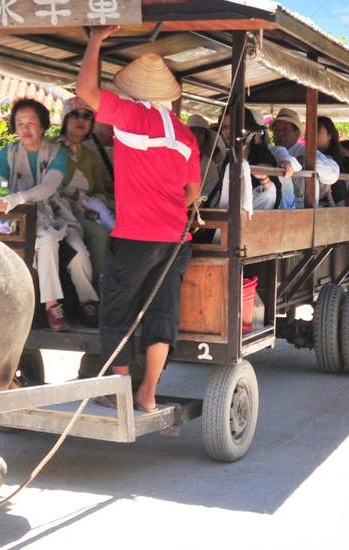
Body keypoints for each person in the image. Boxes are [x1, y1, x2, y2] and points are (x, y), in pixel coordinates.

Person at [77, 25, 201, 413]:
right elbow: (191, 193)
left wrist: (95, 40)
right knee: (161, 312)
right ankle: (147, 392)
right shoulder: (185, 135)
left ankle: (118, 389)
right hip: (174, 239)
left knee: (118, 309)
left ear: (135, 91)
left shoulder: (130, 116)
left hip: (134, 238)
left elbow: (86, 92)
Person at [0, 98, 99, 330]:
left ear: (43, 126)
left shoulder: (58, 153)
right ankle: (52, 306)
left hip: (55, 214)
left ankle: (87, 301)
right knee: (48, 241)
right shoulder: (7, 153)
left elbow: (49, 187)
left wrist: (17, 198)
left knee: (79, 251)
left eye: (31, 123)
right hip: (18, 218)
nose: (26, 129)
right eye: (20, 124)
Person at [57, 96, 115, 290]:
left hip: (84, 213)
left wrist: (93, 203)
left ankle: (107, 289)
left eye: (87, 116)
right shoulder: (51, 148)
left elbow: (99, 190)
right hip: (58, 213)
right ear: (65, 119)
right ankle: (94, 295)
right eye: (75, 115)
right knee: (99, 235)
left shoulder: (91, 155)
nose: (81, 120)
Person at [268, 108, 340, 207]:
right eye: (276, 130)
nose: (279, 134)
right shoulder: (271, 151)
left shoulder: (307, 152)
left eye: (285, 129)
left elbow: (333, 174)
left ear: (297, 133)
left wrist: (308, 161)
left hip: (305, 213)